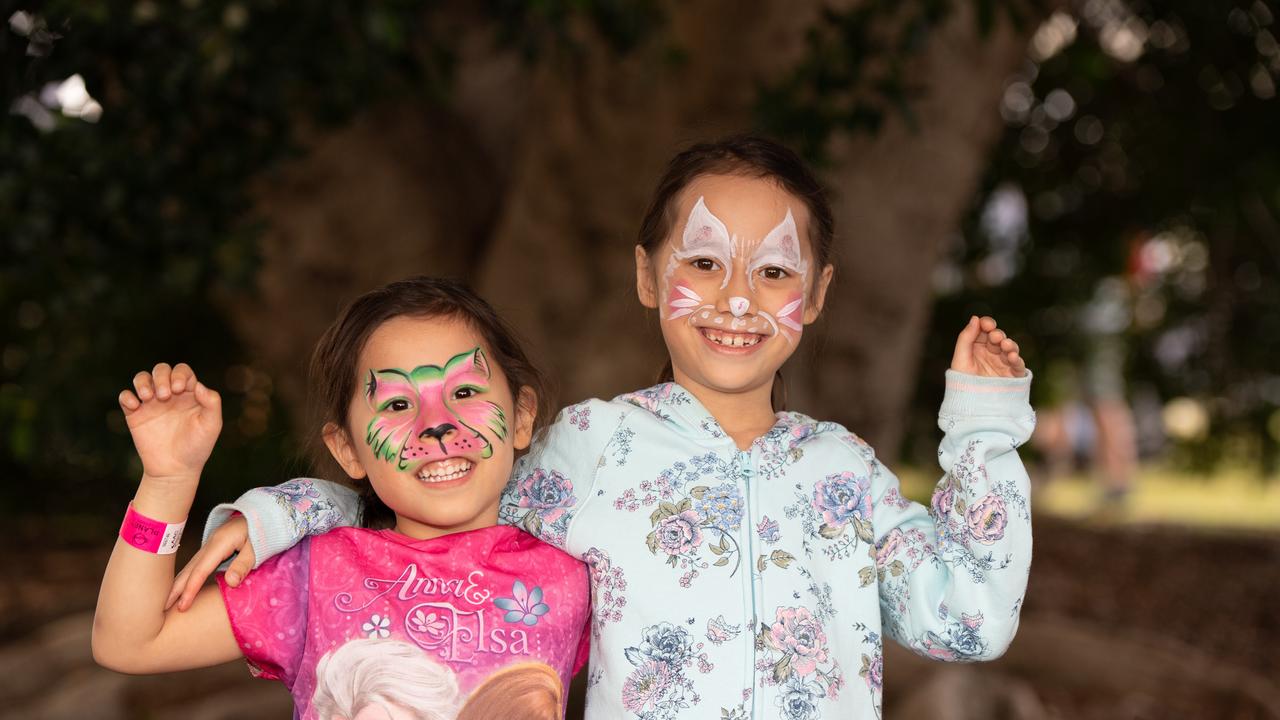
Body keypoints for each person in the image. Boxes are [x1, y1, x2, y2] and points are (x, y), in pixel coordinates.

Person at [178, 136, 1035, 719]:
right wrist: (286, 513)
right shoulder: (590, 450)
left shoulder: (844, 470)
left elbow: (970, 619)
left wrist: (984, 434)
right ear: (648, 276)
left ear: (813, 296)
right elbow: (431, 491)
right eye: (702, 260)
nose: (737, 298)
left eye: (774, 271)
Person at [92, 277, 592, 720]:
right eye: (398, 404)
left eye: (463, 393)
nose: (437, 424)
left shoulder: (577, 574)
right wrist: (168, 482)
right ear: (349, 450)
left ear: (522, 416)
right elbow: (129, 642)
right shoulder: (317, 571)